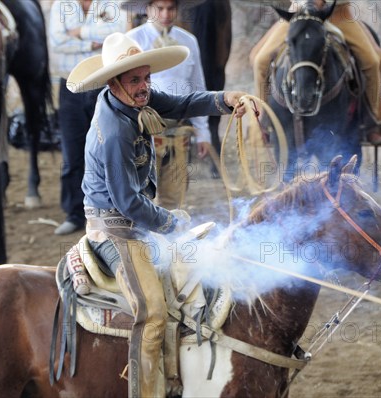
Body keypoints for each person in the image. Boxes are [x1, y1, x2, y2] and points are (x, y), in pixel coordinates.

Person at [66, 31, 248, 397]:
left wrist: (225, 101)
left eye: (146, 77)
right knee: (151, 315)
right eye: (135, 80)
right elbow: (128, 203)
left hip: (133, 218)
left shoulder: (133, 102)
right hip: (115, 229)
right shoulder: (115, 131)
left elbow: (181, 104)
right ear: (114, 82)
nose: (144, 86)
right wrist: (172, 223)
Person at [251, 0, 381, 145]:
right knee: (260, 60)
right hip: (297, 15)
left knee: (372, 61)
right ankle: (263, 122)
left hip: (337, 14)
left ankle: (372, 122)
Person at [123, 0, 211, 209]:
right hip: (142, 129)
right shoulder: (132, 40)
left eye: (170, 8)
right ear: (148, 9)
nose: (165, 14)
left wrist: (203, 131)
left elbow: (197, 86)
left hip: (178, 129)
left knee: (175, 195)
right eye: (159, 8)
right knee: (142, 196)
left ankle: (172, 239)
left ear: (177, 9)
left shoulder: (188, 41)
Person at [49, 0, 127, 235]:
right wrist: (95, 42)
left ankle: (114, 208)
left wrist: (79, 34)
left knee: (109, 147)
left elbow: (117, 35)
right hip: (70, 85)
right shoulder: (60, 5)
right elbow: (57, 41)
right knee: (73, 151)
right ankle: (74, 213)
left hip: (104, 84)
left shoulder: (112, 4)